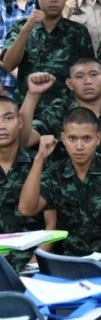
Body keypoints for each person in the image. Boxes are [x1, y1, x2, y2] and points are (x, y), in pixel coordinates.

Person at [18, 107, 101, 275]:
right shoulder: (55, 173)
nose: (79, 146)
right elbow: (26, 209)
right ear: (63, 139)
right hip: (70, 263)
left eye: (86, 138)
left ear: (98, 139)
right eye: (72, 138)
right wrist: (39, 158)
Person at [0, 0, 92, 106]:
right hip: (27, 108)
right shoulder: (21, 27)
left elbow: (88, 72)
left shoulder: (78, 32)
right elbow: (8, 64)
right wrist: (27, 29)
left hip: (66, 108)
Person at [18, 60, 101, 161]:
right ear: (70, 84)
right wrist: (32, 95)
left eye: (93, 75)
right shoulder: (58, 112)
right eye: (79, 76)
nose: (88, 81)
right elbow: (23, 140)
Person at [0, 95, 45, 270]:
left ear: (20, 122)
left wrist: (34, 263)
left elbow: (53, 223)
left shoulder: (41, 164)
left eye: (8, 118)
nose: (2, 126)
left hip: (35, 261)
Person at [0, 0, 40, 98]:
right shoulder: (1, 8)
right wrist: (21, 75)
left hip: (43, 81)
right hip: (8, 85)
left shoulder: (45, 5)